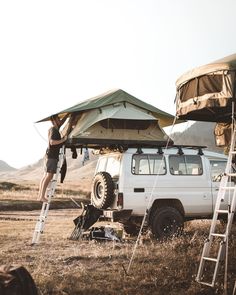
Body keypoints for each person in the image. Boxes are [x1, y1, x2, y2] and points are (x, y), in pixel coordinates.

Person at [38, 114, 68, 202]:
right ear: (54, 121)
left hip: (49, 155)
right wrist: (63, 139)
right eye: (58, 119)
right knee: (49, 176)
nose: (60, 120)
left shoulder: (55, 129)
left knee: (45, 176)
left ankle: (40, 195)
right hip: (51, 156)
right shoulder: (54, 130)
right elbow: (52, 142)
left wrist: (68, 115)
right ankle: (42, 196)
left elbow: (61, 122)